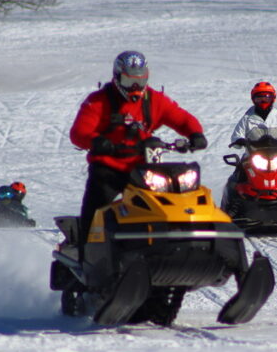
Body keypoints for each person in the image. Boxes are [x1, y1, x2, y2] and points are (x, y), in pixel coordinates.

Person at [69, 51, 207, 249]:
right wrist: (98, 142)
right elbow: (79, 133)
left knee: (167, 201)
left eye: (140, 81)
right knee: (96, 208)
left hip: (144, 170)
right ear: (117, 78)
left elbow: (181, 118)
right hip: (108, 168)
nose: (135, 87)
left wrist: (195, 134)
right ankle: (86, 253)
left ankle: (174, 244)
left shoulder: (154, 100)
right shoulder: (98, 101)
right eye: (128, 81)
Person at [225, 81, 277, 199]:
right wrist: (239, 140)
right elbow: (237, 135)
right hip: (253, 155)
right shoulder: (247, 118)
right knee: (236, 179)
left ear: (273, 99)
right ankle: (231, 208)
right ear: (253, 99)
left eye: (266, 98)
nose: (263, 101)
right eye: (259, 98)